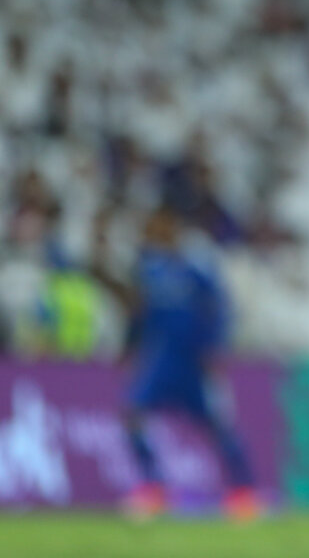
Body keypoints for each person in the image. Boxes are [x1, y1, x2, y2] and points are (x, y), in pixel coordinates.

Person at [102, 206, 258, 519]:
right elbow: (140, 314)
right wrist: (130, 347)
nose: (157, 235)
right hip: (161, 361)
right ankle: (154, 489)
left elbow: (220, 309)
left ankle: (243, 492)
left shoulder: (196, 269)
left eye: (163, 228)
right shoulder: (149, 271)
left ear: (175, 231)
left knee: (219, 425)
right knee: (132, 415)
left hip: (194, 363)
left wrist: (214, 347)